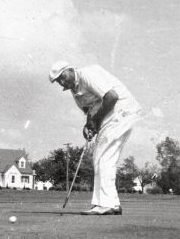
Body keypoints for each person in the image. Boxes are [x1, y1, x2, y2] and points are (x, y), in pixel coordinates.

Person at [49, 61, 142, 215]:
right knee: (101, 157)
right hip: (112, 115)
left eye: (63, 77)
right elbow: (90, 109)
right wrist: (89, 126)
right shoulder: (74, 90)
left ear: (71, 70)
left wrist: (95, 121)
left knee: (103, 156)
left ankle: (107, 204)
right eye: (59, 81)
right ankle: (108, 203)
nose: (62, 82)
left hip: (121, 111)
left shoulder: (87, 74)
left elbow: (111, 97)